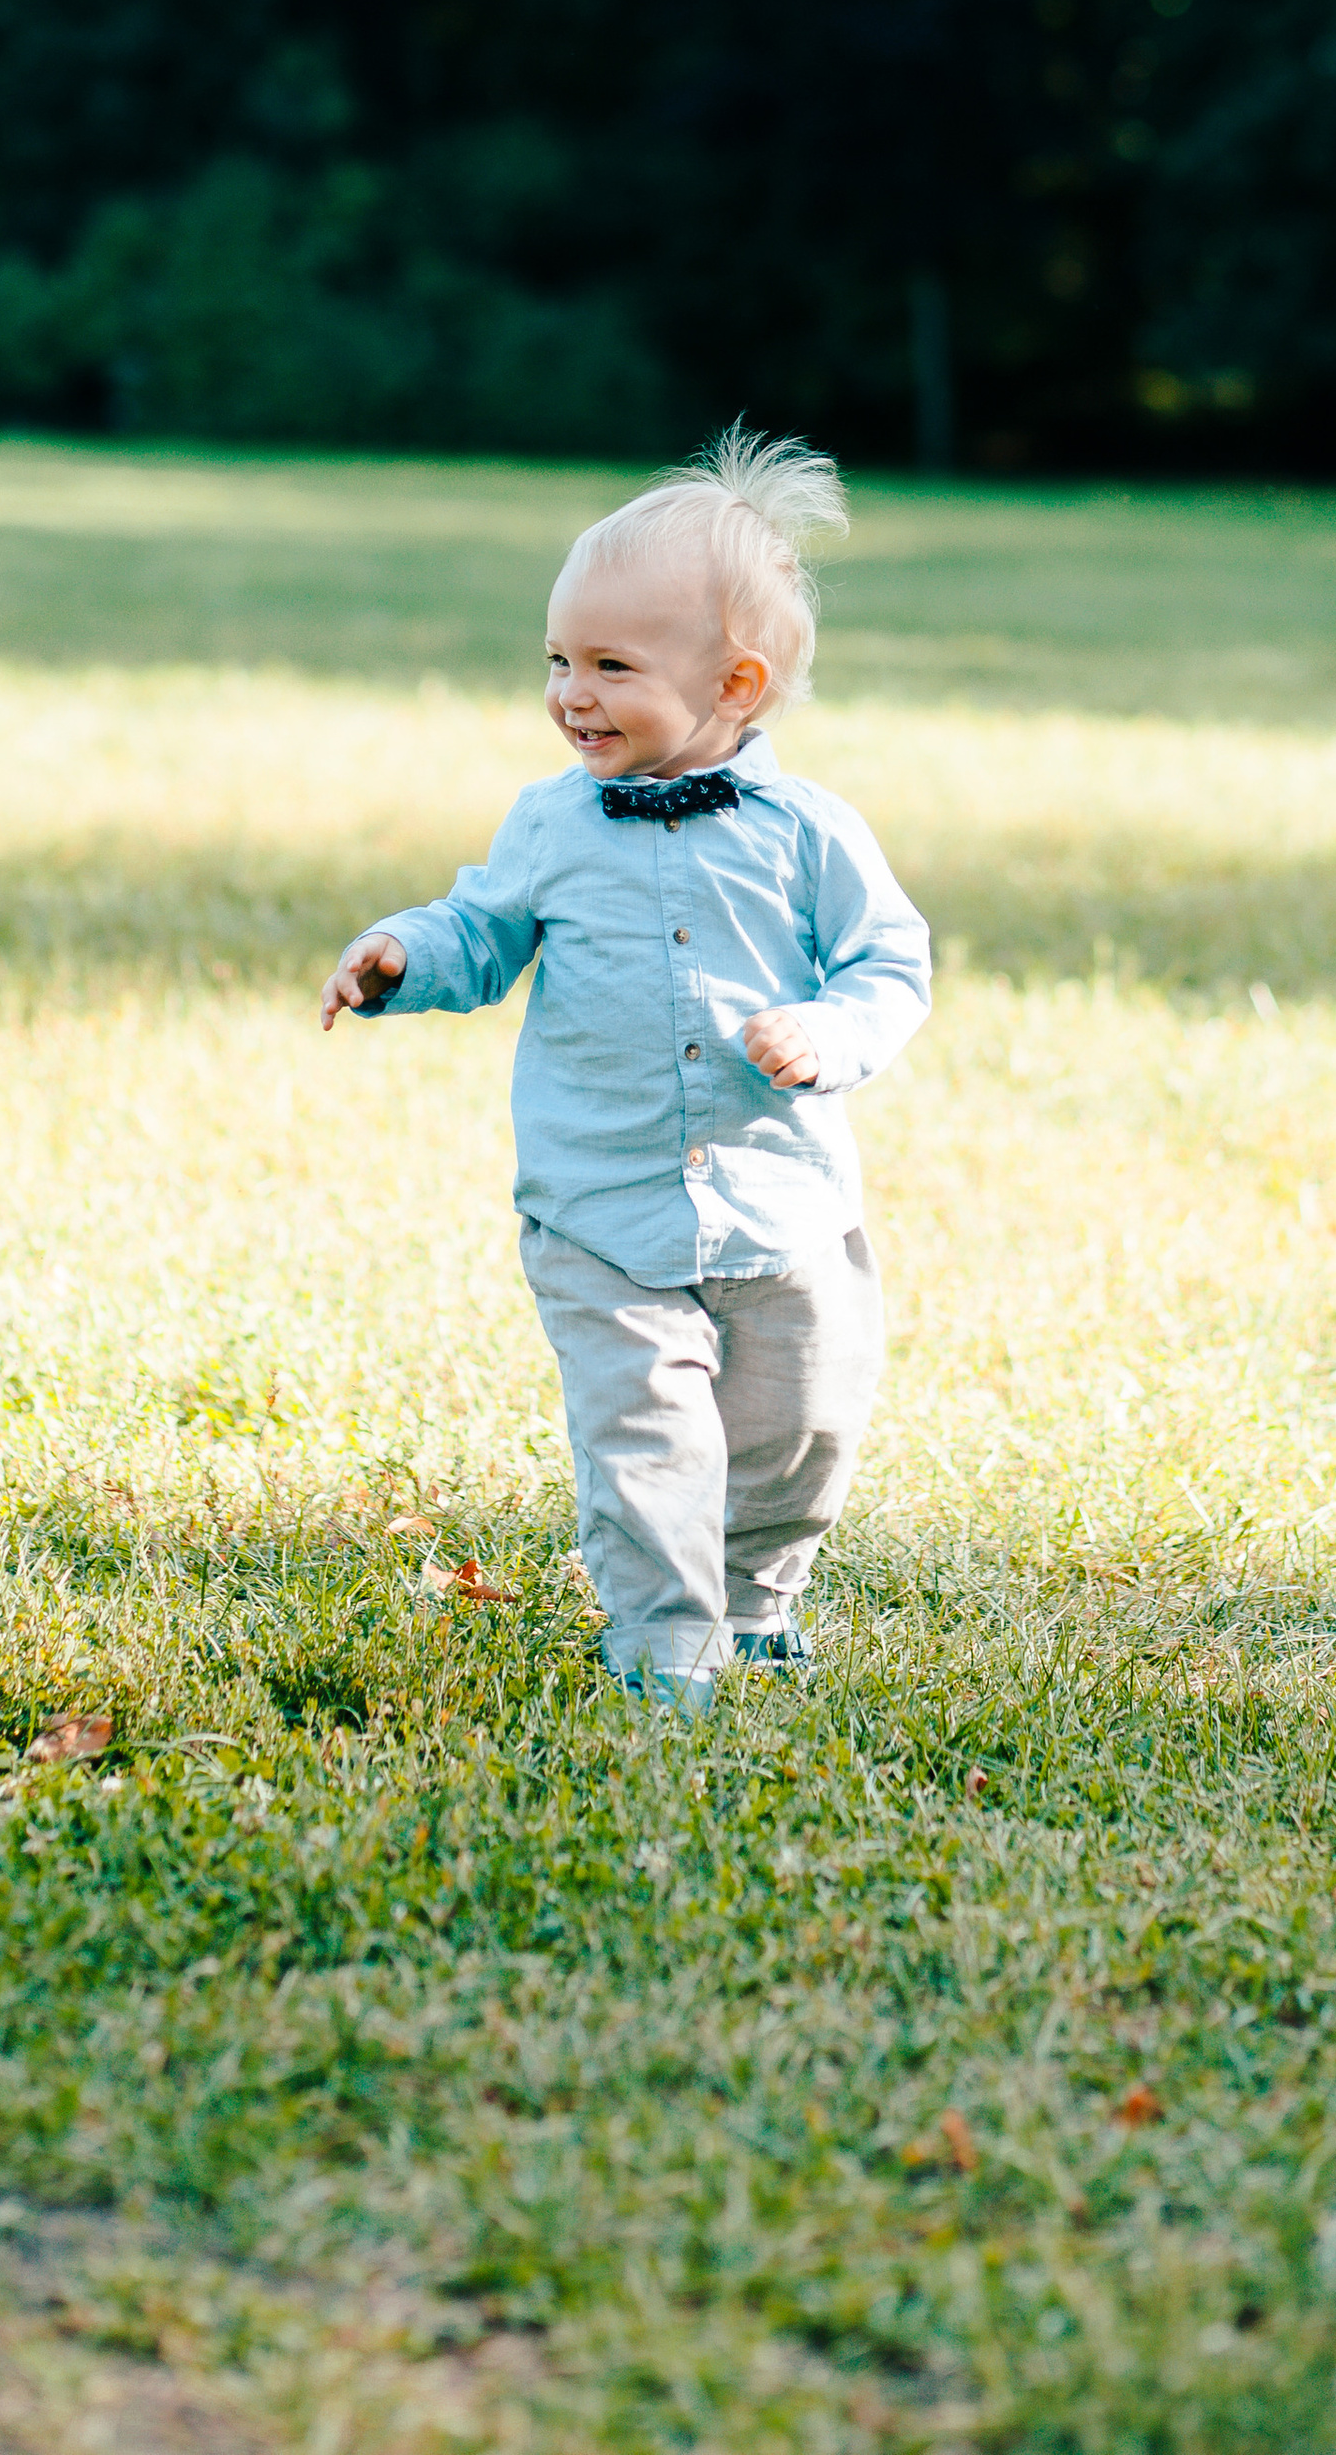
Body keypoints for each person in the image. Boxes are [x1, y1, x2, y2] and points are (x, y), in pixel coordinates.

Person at [318, 429, 931, 1712]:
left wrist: (830, 1035)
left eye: (610, 666)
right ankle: (663, 1649)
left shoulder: (811, 834)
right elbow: (483, 930)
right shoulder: (549, 822)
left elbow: (887, 963)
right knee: (646, 1439)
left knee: (801, 1429)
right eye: (557, 660)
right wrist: (404, 955)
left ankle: (754, 1602)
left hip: (783, 1205)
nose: (570, 694)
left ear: (737, 684)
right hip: (602, 1211)